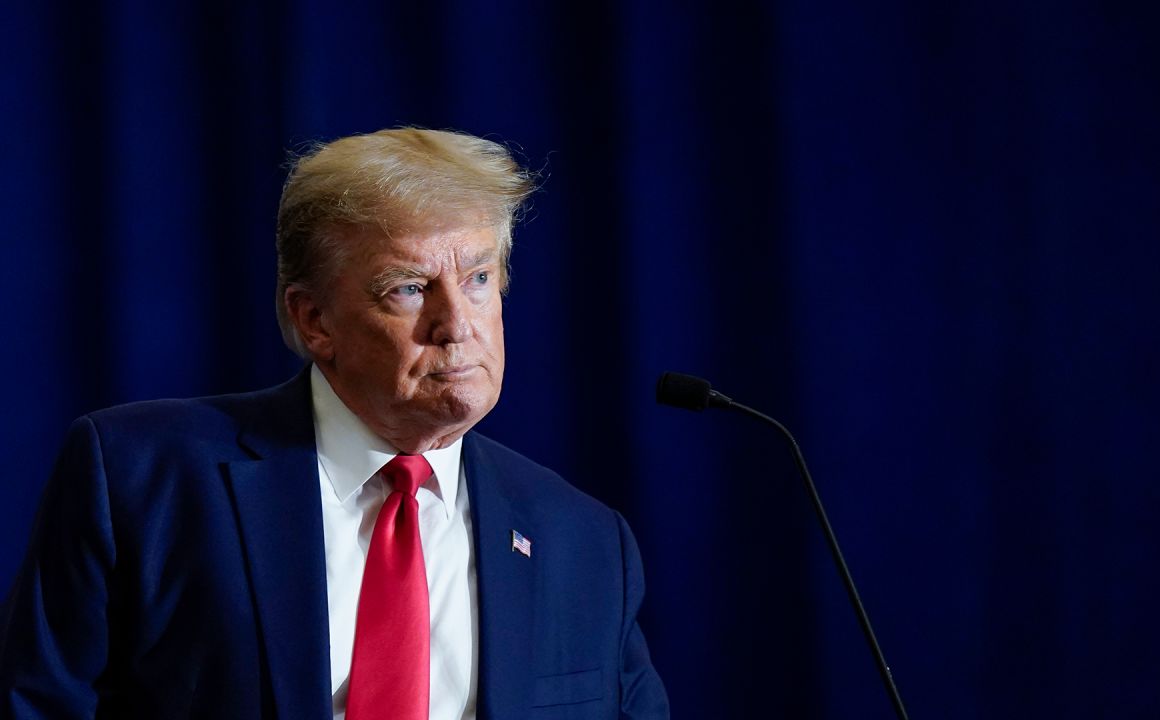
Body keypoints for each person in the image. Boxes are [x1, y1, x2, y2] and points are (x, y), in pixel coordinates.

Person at [0, 127, 670, 720]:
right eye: (409, 287)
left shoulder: (582, 539)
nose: (457, 325)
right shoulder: (141, 478)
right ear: (314, 320)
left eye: (477, 277)